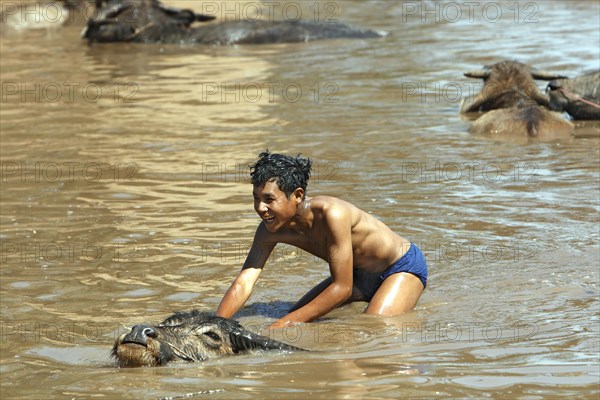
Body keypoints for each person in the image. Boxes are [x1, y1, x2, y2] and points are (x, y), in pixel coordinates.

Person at [216, 151, 428, 328]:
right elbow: (245, 281)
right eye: (256, 199)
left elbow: (341, 288)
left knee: (372, 327)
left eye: (269, 200)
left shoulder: (332, 214)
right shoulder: (269, 230)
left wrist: (278, 327)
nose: (261, 208)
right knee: (294, 314)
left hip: (400, 267)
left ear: (298, 195)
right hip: (358, 276)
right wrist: (215, 325)